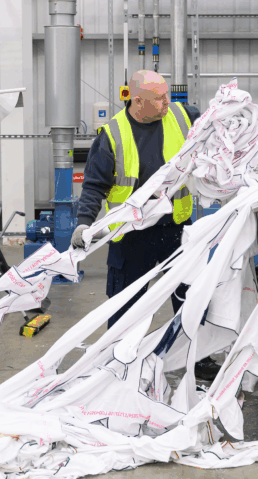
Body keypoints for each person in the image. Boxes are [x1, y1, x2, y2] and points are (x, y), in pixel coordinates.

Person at [71, 70, 221, 381]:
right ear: (138, 101)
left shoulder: (182, 116)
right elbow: (94, 186)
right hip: (131, 237)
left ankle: (198, 358)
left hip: (176, 232)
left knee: (191, 297)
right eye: (160, 98)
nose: (169, 102)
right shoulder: (112, 135)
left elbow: (212, 123)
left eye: (168, 95)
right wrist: (83, 224)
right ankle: (119, 365)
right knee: (128, 303)